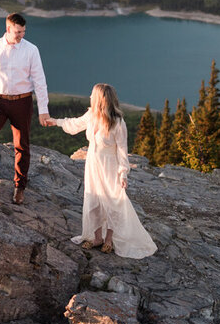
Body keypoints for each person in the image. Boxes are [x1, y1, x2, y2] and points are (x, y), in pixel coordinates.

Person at [54, 83, 156, 258]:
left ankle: (109, 240)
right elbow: (75, 124)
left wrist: (123, 173)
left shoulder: (118, 122)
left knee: (112, 203)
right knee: (94, 200)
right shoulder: (92, 115)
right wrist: (55, 122)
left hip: (109, 166)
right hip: (93, 164)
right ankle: (96, 238)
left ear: (101, 100)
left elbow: (122, 150)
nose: (90, 98)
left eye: (93, 95)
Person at [0, 12, 53, 205]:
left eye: (24, 31)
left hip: (22, 102)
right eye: (18, 31)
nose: (21, 35)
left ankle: (19, 188)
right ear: (8, 29)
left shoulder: (31, 50)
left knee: (22, 145)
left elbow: (40, 81)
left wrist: (43, 110)